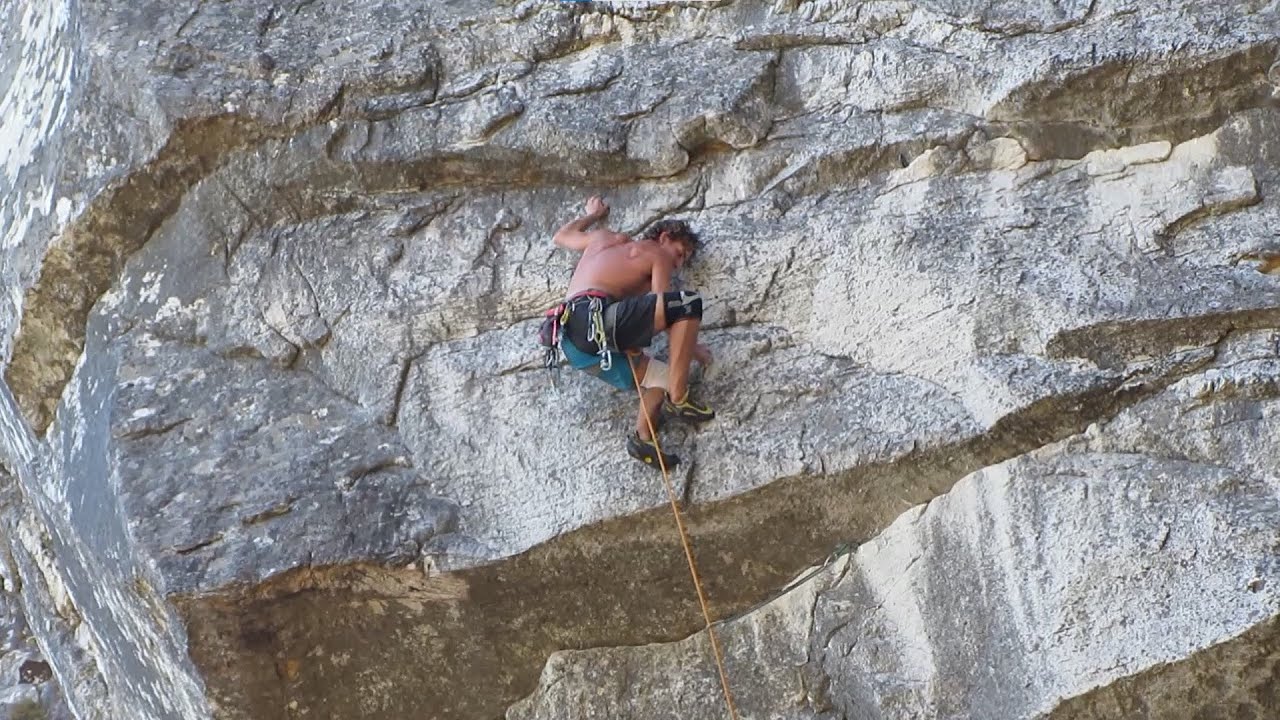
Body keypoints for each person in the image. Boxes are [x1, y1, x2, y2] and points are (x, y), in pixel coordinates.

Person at [551, 195, 714, 468]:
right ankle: (679, 398)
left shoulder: (601, 239)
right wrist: (694, 349)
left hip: (574, 344)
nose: (677, 263)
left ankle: (643, 439)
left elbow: (562, 236)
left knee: (662, 378)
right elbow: (662, 306)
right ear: (664, 237)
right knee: (687, 304)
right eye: (679, 253)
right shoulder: (656, 252)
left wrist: (593, 215)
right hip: (597, 318)